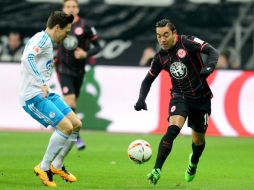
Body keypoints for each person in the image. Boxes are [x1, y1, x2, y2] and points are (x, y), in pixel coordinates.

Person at [134, 19, 219, 185]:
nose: (163, 39)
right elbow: (147, 81)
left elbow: (213, 52)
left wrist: (209, 68)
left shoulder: (187, 42)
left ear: (174, 33)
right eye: (159, 36)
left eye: (166, 35)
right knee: (173, 129)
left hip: (201, 98)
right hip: (180, 97)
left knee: (198, 142)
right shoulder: (160, 58)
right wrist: (141, 99)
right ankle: (157, 169)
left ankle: (193, 161)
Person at [19, 11, 82, 187]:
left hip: (45, 93)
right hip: (33, 96)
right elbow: (27, 58)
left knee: (76, 124)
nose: (67, 35)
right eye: (66, 31)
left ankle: (57, 165)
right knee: (66, 127)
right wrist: (41, 82)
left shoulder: (45, 40)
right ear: (56, 28)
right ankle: (43, 167)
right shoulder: (42, 39)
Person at [55, 0, 102, 150]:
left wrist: (85, 54)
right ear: (63, 9)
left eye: (74, 6)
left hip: (79, 71)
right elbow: (49, 42)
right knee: (70, 102)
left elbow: (98, 46)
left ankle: (61, 124)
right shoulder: (57, 25)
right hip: (62, 69)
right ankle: (76, 136)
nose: (71, 9)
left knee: (72, 102)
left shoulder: (85, 26)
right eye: (68, 6)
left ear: (78, 9)